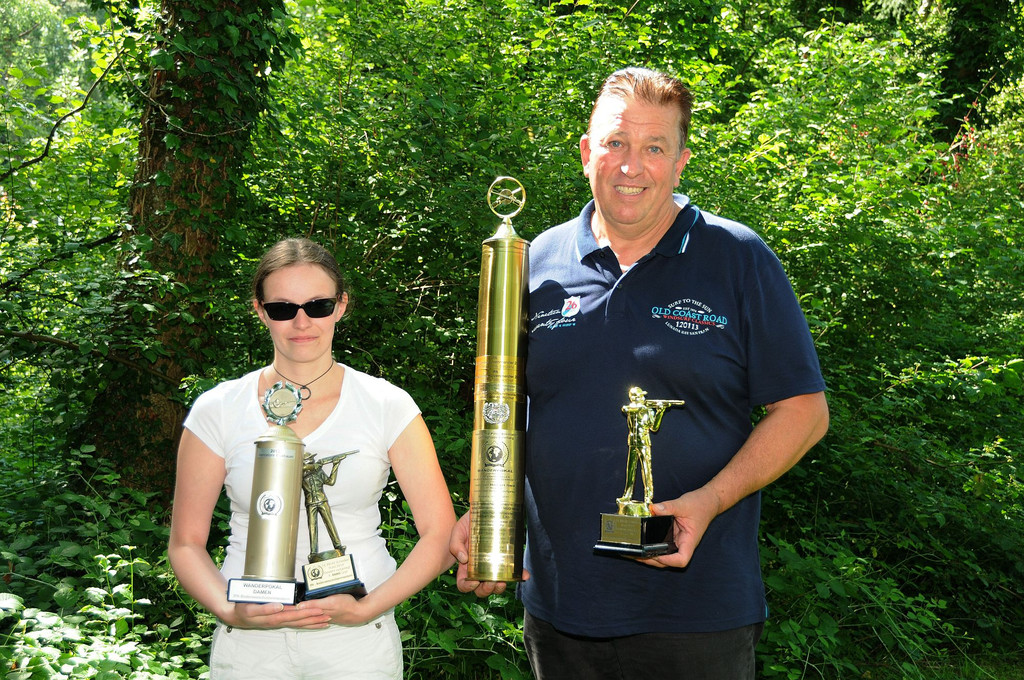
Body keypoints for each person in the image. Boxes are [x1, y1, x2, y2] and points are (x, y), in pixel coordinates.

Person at [450, 67, 829, 679]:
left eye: (655, 147)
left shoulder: (737, 257)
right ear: (586, 153)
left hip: (697, 609)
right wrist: (489, 508)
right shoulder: (534, 261)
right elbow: (511, 407)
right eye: (615, 143)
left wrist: (708, 501)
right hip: (561, 606)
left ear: (680, 162)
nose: (631, 166)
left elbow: (804, 412)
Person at [169, 237, 456, 679]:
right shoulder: (218, 409)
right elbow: (186, 542)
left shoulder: (386, 405)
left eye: (318, 306)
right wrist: (229, 610)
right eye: (282, 308)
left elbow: (440, 535)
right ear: (260, 310)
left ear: (341, 306)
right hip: (251, 646)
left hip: (357, 645)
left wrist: (367, 609)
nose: (301, 322)